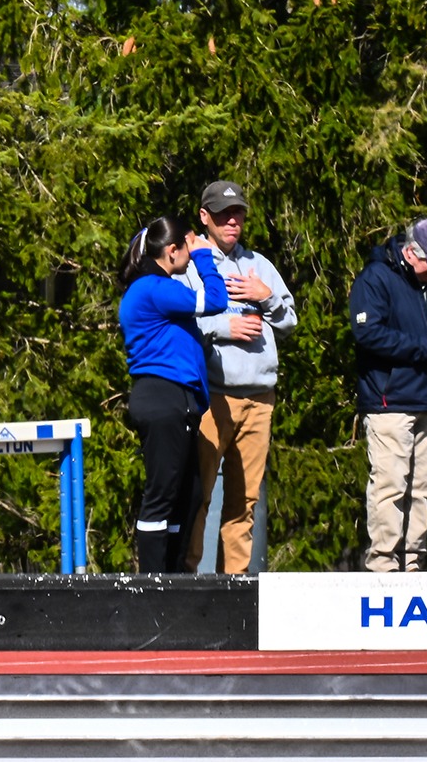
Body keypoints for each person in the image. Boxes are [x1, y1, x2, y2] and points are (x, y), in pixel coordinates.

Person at [181, 180, 298, 574]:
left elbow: (289, 321)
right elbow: (176, 322)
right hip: (213, 397)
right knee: (200, 494)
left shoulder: (260, 265)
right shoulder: (192, 263)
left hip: (260, 398)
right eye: (222, 215)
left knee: (244, 500)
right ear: (204, 217)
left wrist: (264, 296)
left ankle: (233, 587)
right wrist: (222, 327)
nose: (232, 221)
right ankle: (188, 579)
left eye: (238, 214)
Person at [349, 217, 427, 572]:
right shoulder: (375, 279)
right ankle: (383, 567)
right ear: (412, 252)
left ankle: (414, 563)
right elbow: (369, 335)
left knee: (422, 489)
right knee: (390, 486)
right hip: (390, 402)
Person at [117, 216, 226, 573]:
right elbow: (215, 299)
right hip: (163, 397)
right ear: (172, 251)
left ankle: (174, 575)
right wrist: (206, 258)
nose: (192, 253)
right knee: (163, 495)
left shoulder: (154, 288)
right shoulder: (153, 287)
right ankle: (153, 583)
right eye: (188, 246)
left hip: (176, 401)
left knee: (188, 494)